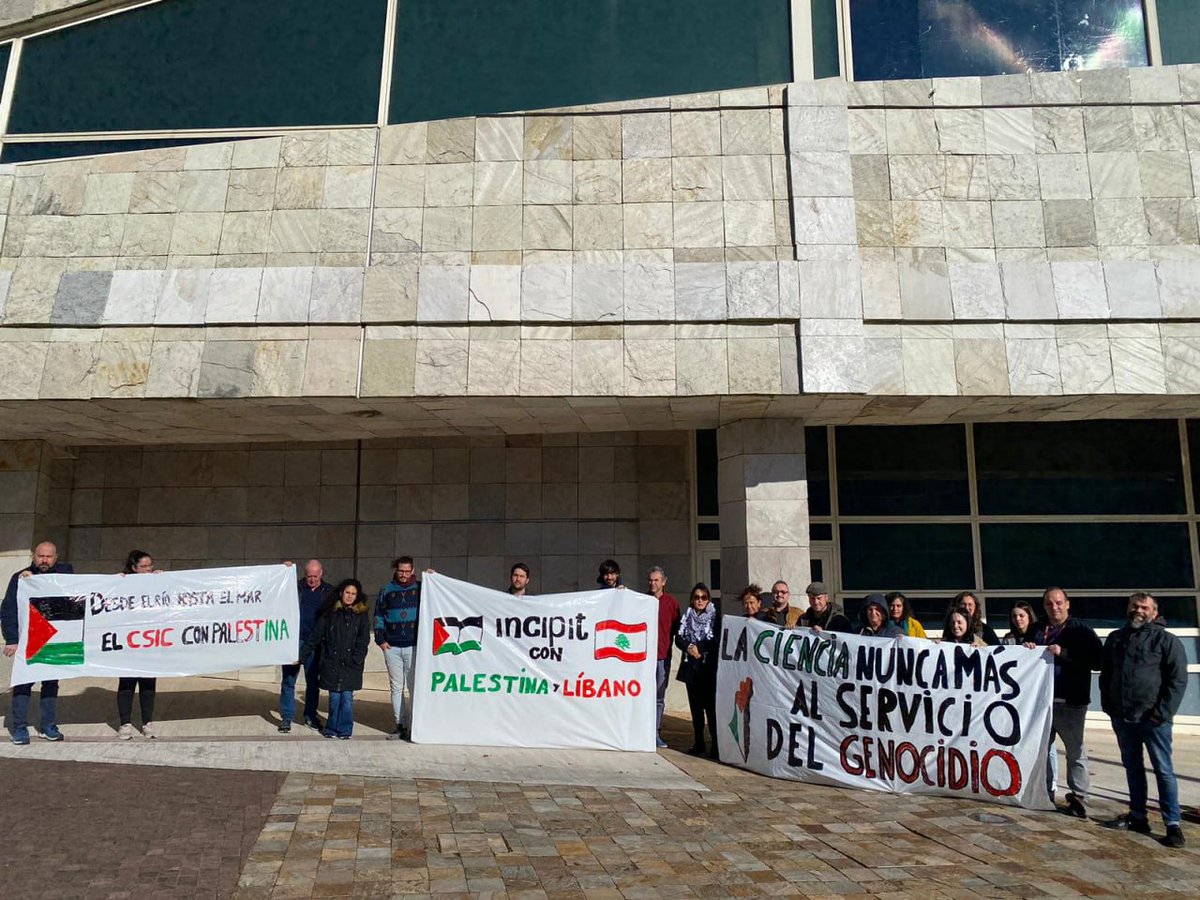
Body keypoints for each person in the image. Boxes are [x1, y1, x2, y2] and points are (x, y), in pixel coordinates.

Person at [1101, 592, 1188, 848]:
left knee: (1164, 770)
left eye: (1144, 607)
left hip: (1154, 719)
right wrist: (1109, 705)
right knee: (1133, 768)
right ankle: (1138, 816)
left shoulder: (1166, 641)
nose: (1139, 610)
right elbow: (1106, 674)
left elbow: (1178, 680)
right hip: (1123, 717)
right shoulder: (1116, 639)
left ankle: (1173, 824)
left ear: (1153, 612)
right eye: (1134, 606)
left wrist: (1163, 713)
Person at [1031, 586, 1102, 818]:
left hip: (1071, 702)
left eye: (1059, 602)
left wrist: (1065, 653)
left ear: (1068, 604)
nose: (1055, 607)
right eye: (1050, 604)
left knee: (1075, 751)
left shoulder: (1081, 631)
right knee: (1041, 750)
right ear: (1044, 606)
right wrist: (1027, 649)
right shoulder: (1036, 629)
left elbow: (1097, 661)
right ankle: (1045, 792)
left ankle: (1079, 796)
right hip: (1041, 702)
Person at [1, 541, 72, 745]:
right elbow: (8, 610)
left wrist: (119, 579)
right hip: (28, 640)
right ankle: (20, 728)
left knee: (51, 684)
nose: (44, 560)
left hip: (55, 640)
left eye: (49, 557)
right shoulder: (21, 578)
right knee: (23, 684)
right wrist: (12, 640)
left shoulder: (66, 573)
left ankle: (48, 726)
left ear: (56, 558)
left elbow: (87, 588)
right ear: (34, 556)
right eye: (41, 556)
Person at [296, 579, 369, 740]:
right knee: (335, 698)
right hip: (331, 663)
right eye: (347, 593)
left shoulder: (361, 615)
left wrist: (357, 658)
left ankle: (345, 730)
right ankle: (331, 729)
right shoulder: (329, 613)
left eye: (353, 594)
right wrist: (301, 656)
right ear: (341, 593)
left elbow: (363, 640)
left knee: (347, 699)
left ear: (357, 596)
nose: (349, 596)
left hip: (351, 665)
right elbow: (315, 637)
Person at [279, 559, 332, 734]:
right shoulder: (294, 587)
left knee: (312, 683)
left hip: (315, 644)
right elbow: (276, 590)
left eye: (315, 576)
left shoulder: (329, 592)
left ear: (321, 573)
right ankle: (287, 717)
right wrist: (283, 570)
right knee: (288, 681)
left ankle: (310, 716)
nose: (312, 579)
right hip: (293, 641)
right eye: (309, 576)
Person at [375, 556, 422, 740]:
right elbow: (378, 615)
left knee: (413, 687)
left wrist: (434, 577)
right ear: (396, 570)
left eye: (407, 571)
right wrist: (380, 639)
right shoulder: (386, 590)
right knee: (396, 687)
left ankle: (413, 726)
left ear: (413, 570)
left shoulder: (421, 588)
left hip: (413, 646)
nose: (403, 574)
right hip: (392, 647)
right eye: (400, 571)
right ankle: (400, 725)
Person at [116, 550, 161, 740]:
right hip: (129, 642)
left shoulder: (157, 582)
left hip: (149, 641)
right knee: (127, 683)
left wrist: (162, 580)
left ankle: (147, 722)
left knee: (148, 684)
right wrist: (116, 581)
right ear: (134, 568)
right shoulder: (123, 583)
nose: (148, 569)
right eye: (143, 566)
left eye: (150, 565)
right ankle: (125, 723)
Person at [675, 583, 720, 759]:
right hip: (691, 666)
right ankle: (699, 742)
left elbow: (715, 639)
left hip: (707, 667)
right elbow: (678, 637)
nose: (700, 600)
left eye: (703, 597)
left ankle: (715, 744)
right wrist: (689, 646)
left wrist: (699, 647)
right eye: (696, 597)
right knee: (695, 708)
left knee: (710, 708)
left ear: (708, 599)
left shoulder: (715, 616)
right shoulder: (687, 615)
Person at [647, 566, 681, 749]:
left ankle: (655, 733)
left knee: (659, 697)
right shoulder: (642, 601)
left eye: (656, 580)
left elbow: (679, 630)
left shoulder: (671, 603)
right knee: (643, 696)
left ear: (664, 582)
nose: (653, 583)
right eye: (650, 580)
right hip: (643, 659)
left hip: (662, 657)